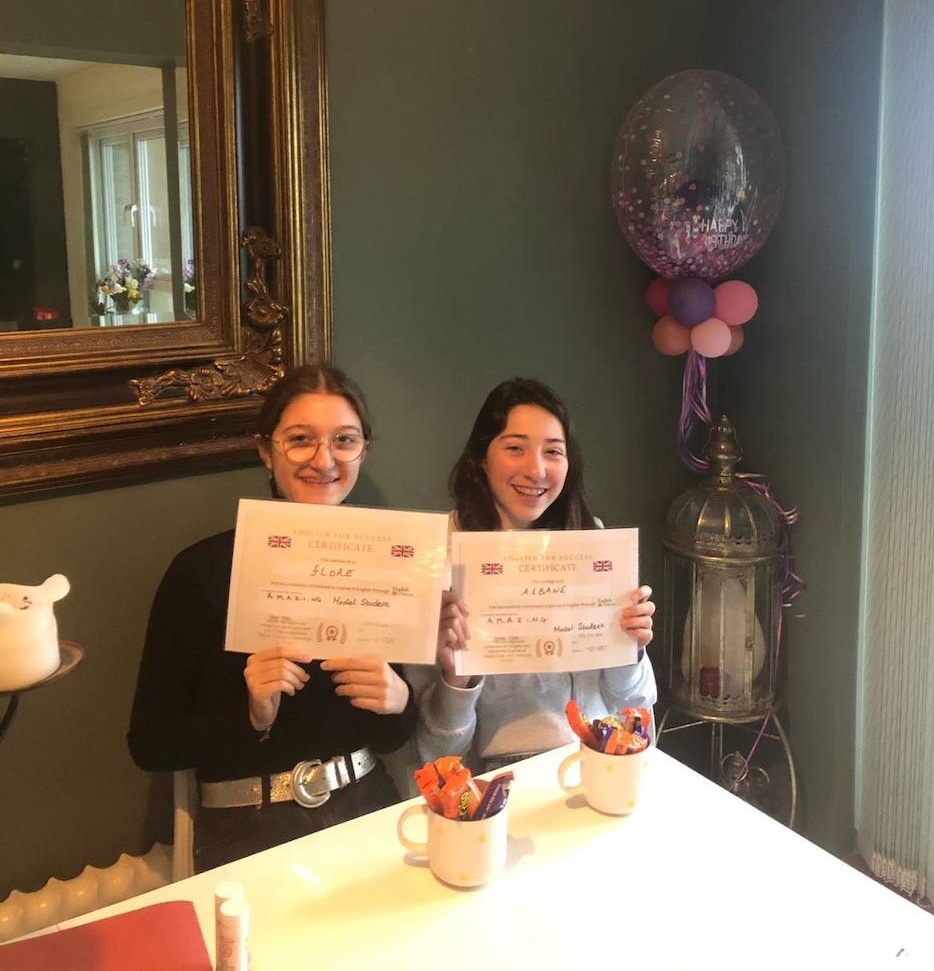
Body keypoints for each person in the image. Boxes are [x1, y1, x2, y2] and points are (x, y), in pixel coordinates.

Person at [128, 364, 416, 872]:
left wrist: (399, 701)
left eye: (344, 440)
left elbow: (392, 738)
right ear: (266, 450)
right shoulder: (201, 571)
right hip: (248, 829)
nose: (324, 460)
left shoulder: (384, 561)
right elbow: (150, 745)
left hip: (369, 805)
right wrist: (251, 714)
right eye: (300, 439)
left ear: (362, 451)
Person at [408, 378, 656, 772]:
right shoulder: (437, 560)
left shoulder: (593, 541)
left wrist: (632, 648)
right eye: (515, 448)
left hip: (605, 762)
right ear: (480, 457)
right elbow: (438, 752)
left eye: (553, 451)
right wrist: (457, 680)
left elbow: (636, 705)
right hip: (505, 779)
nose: (536, 470)